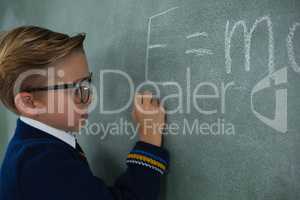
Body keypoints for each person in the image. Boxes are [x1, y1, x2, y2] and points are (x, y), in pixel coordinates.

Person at [0, 26, 169, 200]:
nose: (89, 98)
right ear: (29, 103)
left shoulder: (32, 149)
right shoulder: (41, 163)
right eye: (76, 88)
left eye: (87, 84)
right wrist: (149, 139)